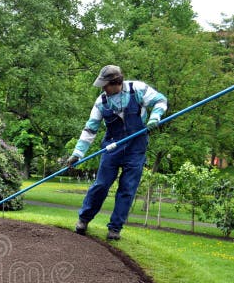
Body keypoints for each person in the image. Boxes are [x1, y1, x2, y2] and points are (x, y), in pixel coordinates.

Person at [67, 65, 167, 240]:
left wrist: (154, 117)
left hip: (136, 147)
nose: (103, 89)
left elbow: (160, 100)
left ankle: (115, 229)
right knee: (101, 185)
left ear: (116, 83)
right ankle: (84, 219)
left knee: (127, 189)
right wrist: (78, 153)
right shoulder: (101, 102)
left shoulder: (138, 89)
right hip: (112, 146)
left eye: (105, 85)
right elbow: (90, 129)